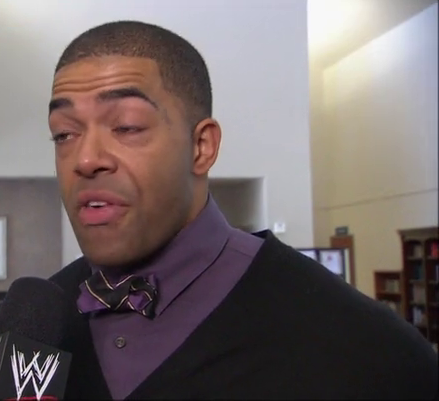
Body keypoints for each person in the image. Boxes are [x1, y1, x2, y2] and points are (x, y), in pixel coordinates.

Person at [43, 21, 438, 400]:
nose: (86, 159)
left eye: (127, 126)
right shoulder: (32, 326)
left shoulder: (370, 350)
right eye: (63, 134)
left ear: (202, 147)